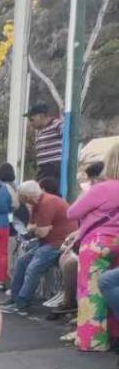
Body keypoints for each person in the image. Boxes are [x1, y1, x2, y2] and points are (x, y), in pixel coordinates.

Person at [68, 144, 119, 351]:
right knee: (112, 289)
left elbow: (72, 213)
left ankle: (93, 341)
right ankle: (115, 334)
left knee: (91, 292)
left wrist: (87, 192)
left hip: (98, 244)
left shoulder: (103, 188)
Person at [2, 180, 77, 316]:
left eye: (23, 198)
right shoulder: (38, 204)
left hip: (58, 242)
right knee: (22, 262)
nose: (23, 201)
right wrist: (38, 228)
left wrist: (37, 228)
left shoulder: (47, 203)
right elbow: (31, 228)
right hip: (47, 241)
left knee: (33, 267)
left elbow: (40, 231)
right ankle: (15, 297)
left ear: (27, 196)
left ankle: (22, 301)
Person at [26, 102, 65, 182]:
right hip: (43, 169)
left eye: (32, 120)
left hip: (53, 167)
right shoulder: (39, 131)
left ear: (41, 116)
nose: (30, 123)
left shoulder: (57, 124)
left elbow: (68, 137)